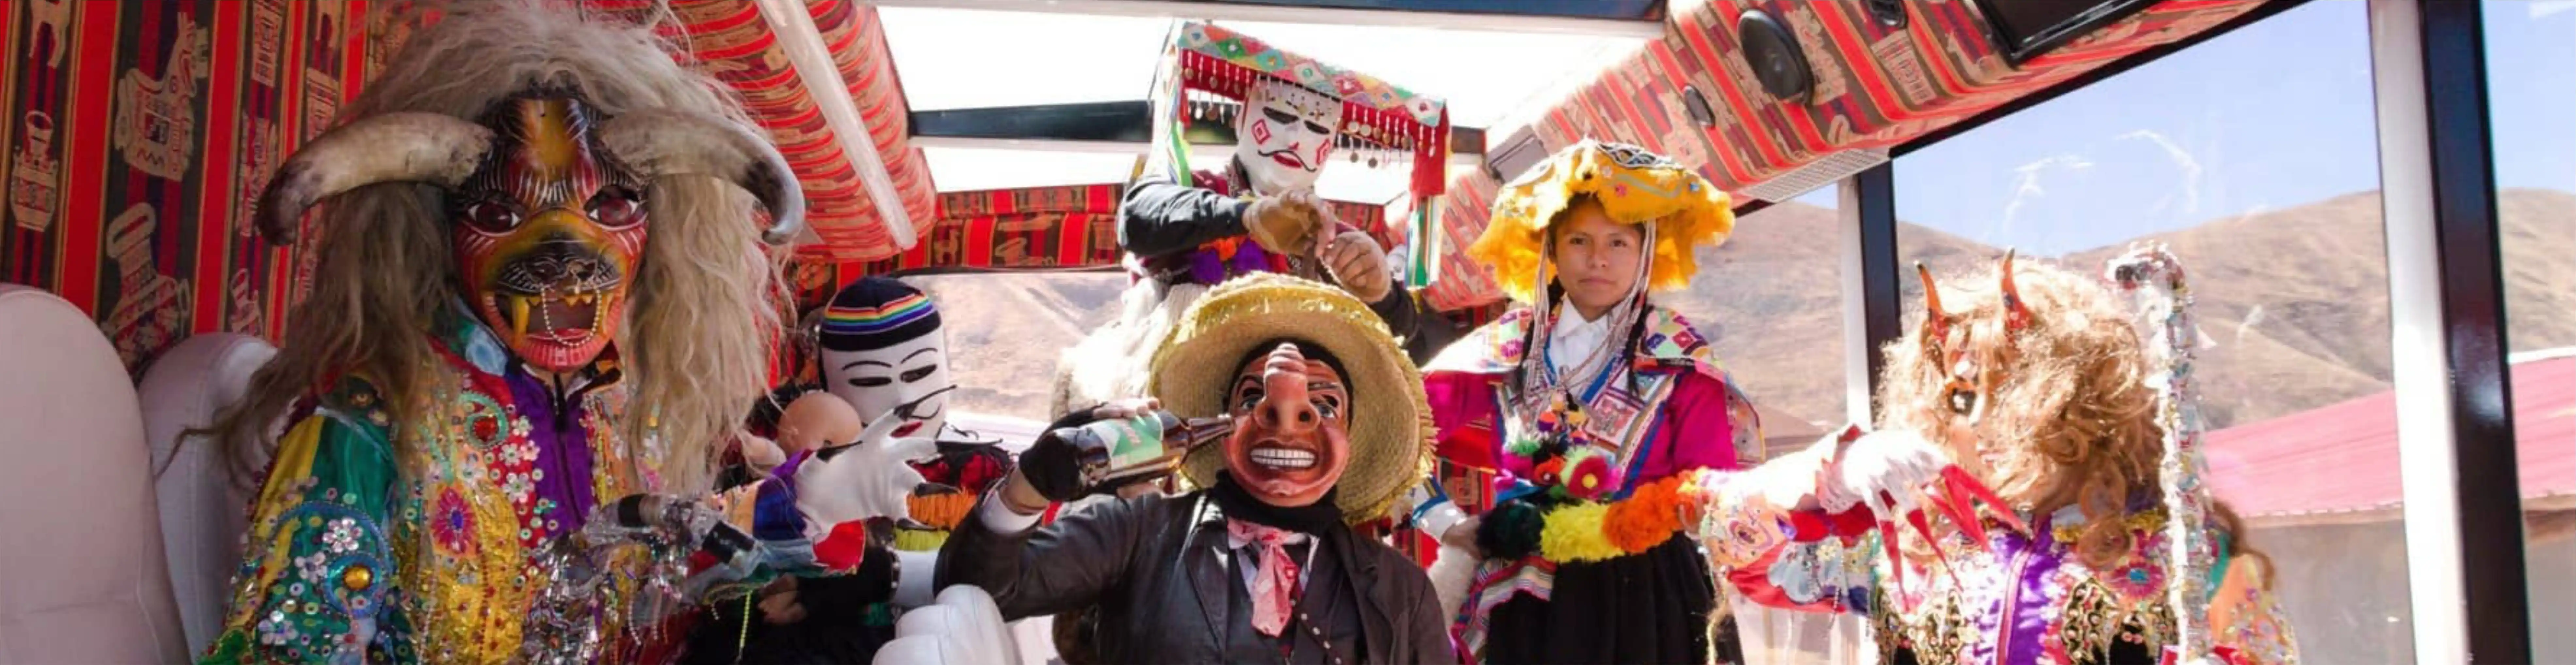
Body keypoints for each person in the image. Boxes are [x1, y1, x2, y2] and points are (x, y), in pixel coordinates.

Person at [197, 4, 799, 662]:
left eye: (611, 206)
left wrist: (789, 514)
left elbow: (640, 582)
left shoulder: (624, 405)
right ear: (441, 234)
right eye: (497, 213)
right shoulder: (369, 428)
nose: (564, 257)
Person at [1680, 248, 2301, 665]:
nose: (1975, 423)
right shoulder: (1909, 546)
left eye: (2009, 390)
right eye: (1958, 397)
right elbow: (1742, 556)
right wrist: (1826, 475)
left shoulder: (2183, 553)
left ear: (2082, 399)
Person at [943, 274, 1454, 664]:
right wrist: (1027, 487)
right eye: (1253, 400)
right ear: (1222, 425)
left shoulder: (1400, 590)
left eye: (1321, 406)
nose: (1286, 423)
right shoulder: (1140, 533)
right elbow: (974, 589)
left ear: (1351, 437)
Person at [1412, 140, 1764, 664]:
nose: (1598, 259)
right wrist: (1443, 521)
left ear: (1646, 252)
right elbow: (1399, 427)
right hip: (1521, 579)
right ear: (1551, 250)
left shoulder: (1679, 357)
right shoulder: (1508, 346)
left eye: (1618, 242)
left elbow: (1712, 484)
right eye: (1578, 240)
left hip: (1646, 590)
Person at [1052, 21, 1452, 413]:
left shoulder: (1333, 236)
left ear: (1330, 146)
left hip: (1284, 412)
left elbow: (1407, 342)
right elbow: (1137, 220)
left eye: (1316, 128)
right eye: (1280, 117)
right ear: (1241, 119)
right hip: (1170, 404)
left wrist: (1380, 294)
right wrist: (1246, 217)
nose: (1295, 139)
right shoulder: (1196, 191)